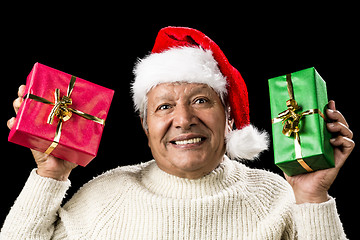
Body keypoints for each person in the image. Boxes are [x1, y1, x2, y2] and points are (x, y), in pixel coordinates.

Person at [2, 27, 354, 239]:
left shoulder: (278, 197)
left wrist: (311, 198)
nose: (184, 120)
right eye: (164, 106)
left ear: (228, 117)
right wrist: (50, 174)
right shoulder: (105, 197)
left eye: (201, 100)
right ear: (145, 126)